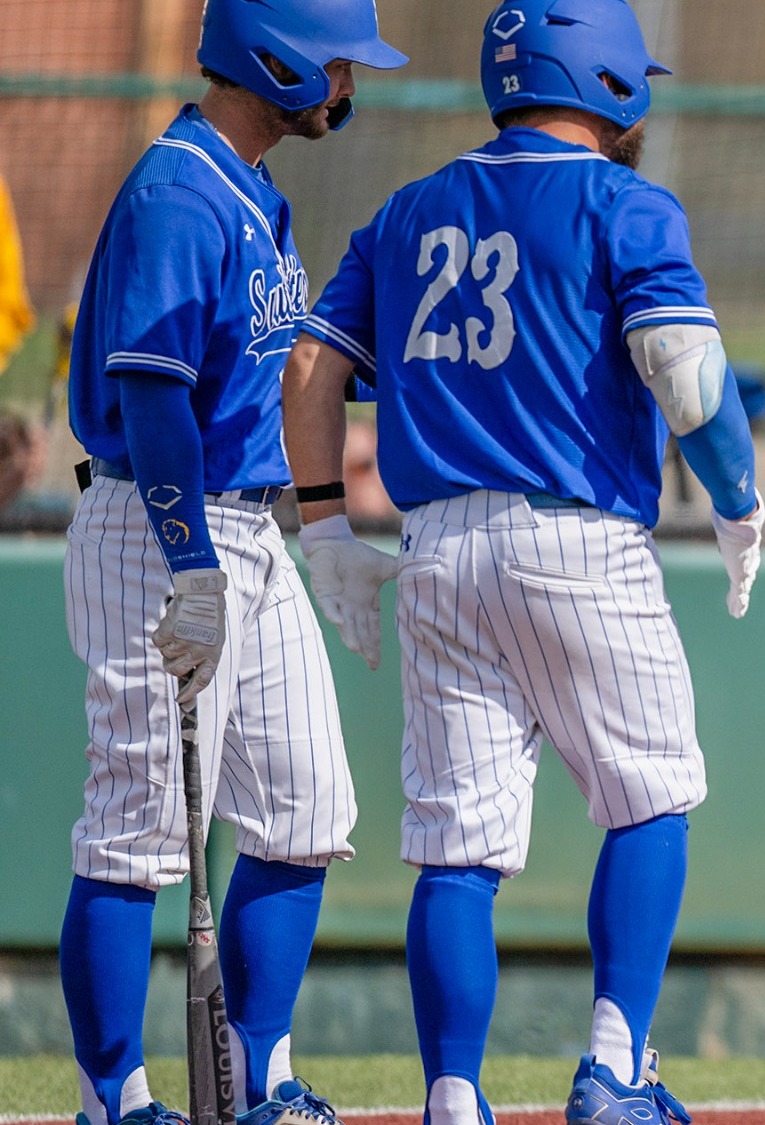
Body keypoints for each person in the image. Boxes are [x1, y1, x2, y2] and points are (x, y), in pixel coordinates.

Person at [282, 3, 762, 1124]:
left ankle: (452, 1098)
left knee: (458, 850)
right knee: (650, 799)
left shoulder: (408, 208)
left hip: (437, 550)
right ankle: (615, 1067)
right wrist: (738, 502)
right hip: (575, 540)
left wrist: (325, 532)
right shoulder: (623, 201)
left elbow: (310, 369)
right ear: (608, 81)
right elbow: (688, 375)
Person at [57, 5, 404, 1125]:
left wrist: (315, 525)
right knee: (137, 822)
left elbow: (273, 374)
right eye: (337, 62)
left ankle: (260, 1076)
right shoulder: (178, 192)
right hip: (160, 525)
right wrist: (192, 565)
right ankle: (114, 1097)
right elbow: (152, 397)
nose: (347, 84)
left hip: (252, 530)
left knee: (307, 808)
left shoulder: (254, 188)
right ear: (277, 57)